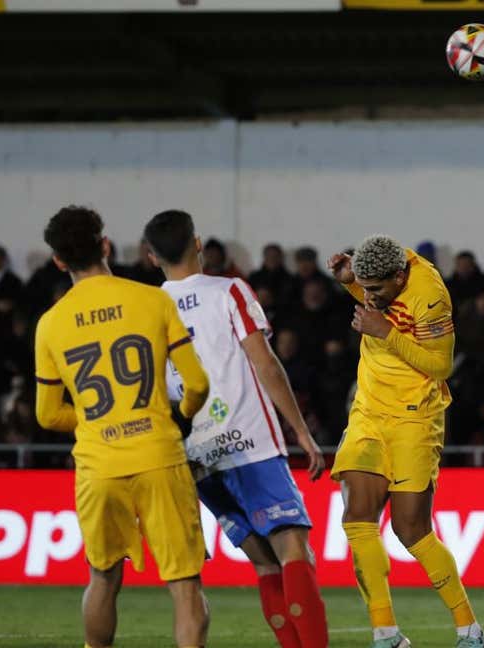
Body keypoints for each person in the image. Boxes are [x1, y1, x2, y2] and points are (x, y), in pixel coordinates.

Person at [144, 210, 329, 648]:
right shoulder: (230, 290)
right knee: (294, 553)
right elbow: (264, 362)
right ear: (198, 243)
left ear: (151, 258)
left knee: (265, 566)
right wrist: (300, 432)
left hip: (197, 456)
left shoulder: (148, 307)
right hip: (251, 443)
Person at [32, 205, 211, 648]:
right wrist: (179, 414)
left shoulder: (50, 324)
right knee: (185, 586)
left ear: (58, 261)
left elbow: (47, 414)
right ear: (105, 246)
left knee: (103, 576)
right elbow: (198, 384)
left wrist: (96, 420)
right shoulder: (153, 300)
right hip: (158, 455)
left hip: (98, 465)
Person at [327, 236, 484, 648]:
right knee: (357, 518)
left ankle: (469, 629)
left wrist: (385, 331)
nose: (368, 297)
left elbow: (440, 364)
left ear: (399, 278)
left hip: (415, 415)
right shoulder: (380, 271)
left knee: (410, 529)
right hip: (368, 411)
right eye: (364, 288)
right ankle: (386, 633)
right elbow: (369, 290)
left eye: (375, 290)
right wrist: (349, 281)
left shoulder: (430, 296)